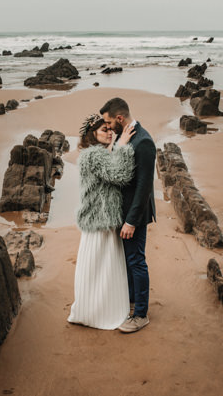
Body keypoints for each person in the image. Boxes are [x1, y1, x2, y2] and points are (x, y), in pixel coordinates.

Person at [67, 114, 137, 330]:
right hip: (100, 219)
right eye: (104, 130)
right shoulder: (94, 155)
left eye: (110, 129)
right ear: (93, 134)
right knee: (100, 266)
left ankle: (98, 307)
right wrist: (123, 145)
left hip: (100, 218)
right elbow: (121, 174)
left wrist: (115, 148)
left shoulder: (96, 153)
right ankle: (96, 312)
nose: (110, 132)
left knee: (100, 265)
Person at [100, 97, 156, 333]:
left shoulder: (143, 142)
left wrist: (131, 221)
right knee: (128, 261)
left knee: (136, 261)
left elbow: (144, 187)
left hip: (135, 216)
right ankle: (132, 301)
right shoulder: (128, 138)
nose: (109, 127)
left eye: (110, 122)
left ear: (120, 118)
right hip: (125, 214)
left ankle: (141, 314)